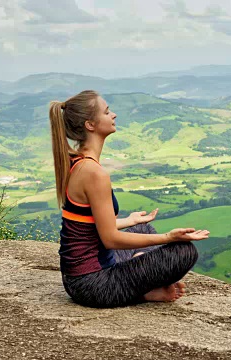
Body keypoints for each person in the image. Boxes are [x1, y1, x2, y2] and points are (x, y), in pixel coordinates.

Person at [48, 90, 210, 308]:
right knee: (184, 251)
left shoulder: (78, 162)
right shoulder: (94, 173)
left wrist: (131, 221)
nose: (113, 115)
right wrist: (168, 237)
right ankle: (144, 292)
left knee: (144, 229)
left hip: (79, 277)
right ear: (90, 125)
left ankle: (139, 279)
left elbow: (89, 227)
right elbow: (111, 240)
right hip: (93, 285)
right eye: (106, 112)